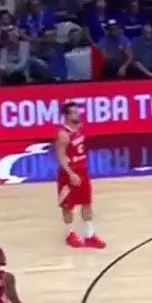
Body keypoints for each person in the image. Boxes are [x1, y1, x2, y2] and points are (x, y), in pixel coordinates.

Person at [56, 102, 106, 249]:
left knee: (87, 203)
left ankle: (90, 235)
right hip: (69, 175)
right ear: (66, 116)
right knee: (68, 206)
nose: (77, 114)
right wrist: (70, 173)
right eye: (73, 112)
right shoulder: (63, 134)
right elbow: (60, 157)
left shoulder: (79, 128)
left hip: (83, 171)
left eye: (77, 112)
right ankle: (70, 234)